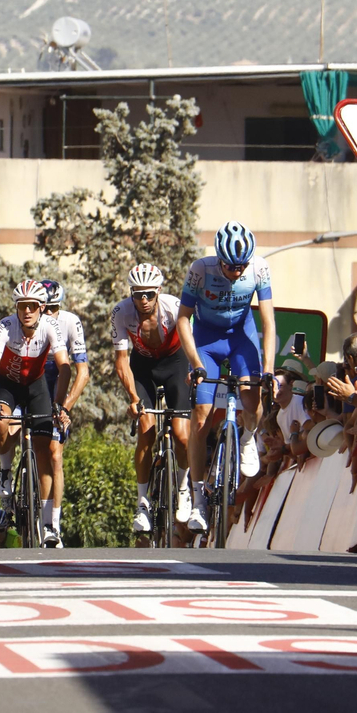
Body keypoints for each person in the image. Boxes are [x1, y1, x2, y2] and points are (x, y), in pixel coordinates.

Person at [177, 221, 275, 533]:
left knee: (252, 396)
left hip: (241, 336)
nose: (236, 272)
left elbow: (269, 323)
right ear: (219, 259)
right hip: (206, 339)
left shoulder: (259, 268)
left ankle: (247, 438)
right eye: (231, 267)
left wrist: (269, 369)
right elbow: (182, 318)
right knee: (202, 418)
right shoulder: (200, 269)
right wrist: (195, 362)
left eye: (241, 266)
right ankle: (198, 500)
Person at [112, 263, 193, 535]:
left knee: (182, 435)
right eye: (137, 294)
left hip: (175, 362)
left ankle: (183, 487)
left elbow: (192, 343)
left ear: (158, 291)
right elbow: (122, 362)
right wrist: (134, 398)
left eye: (148, 293)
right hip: (143, 366)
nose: (143, 300)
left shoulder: (174, 307)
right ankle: (143, 503)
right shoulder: (121, 313)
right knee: (146, 432)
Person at [0, 280, 72, 523]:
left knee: (44, 450)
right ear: (17, 308)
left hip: (36, 385)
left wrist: (59, 405)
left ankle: (47, 523)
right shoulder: (6, 326)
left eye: (32, 306)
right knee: (2, 425)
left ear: (42, 307)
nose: (27, 311)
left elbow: (65, 369)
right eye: (23, 306)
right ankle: (5, 470)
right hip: (7, 385)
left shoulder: (50, 326)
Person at [39, 280, 88, 548]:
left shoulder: (71, 322)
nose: (50, 315)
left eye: (54, 309)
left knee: (55, 455)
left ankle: (53, 523)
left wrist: (66, 407)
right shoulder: (31, 323)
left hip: (57, 383)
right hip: (34, 381)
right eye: (45, 309)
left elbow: (83, 372)